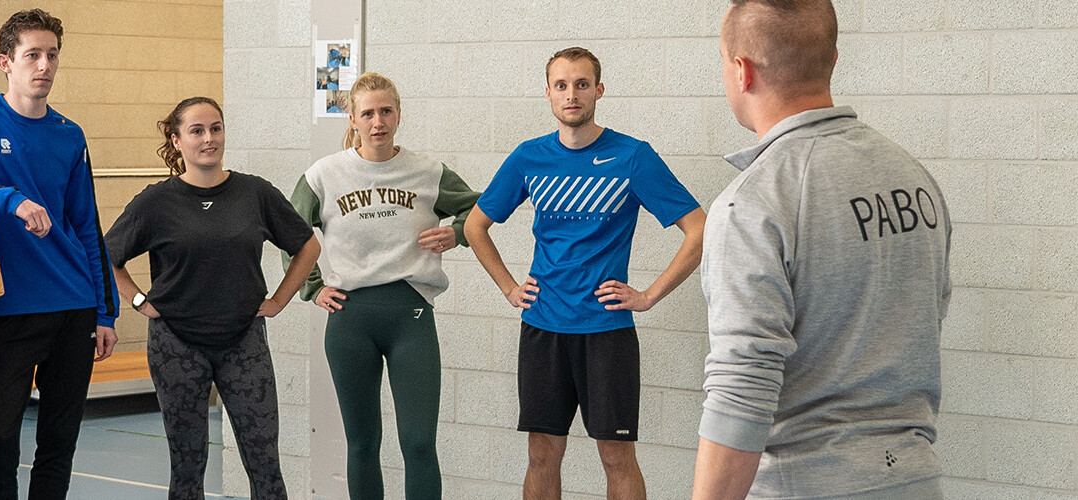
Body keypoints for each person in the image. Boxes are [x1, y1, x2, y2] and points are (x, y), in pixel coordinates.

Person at [691, 1, 952, 498]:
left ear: (741, 71)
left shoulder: (752, 203)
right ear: (832, 59)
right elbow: (926, 316)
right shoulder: (913, 177)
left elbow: (742, 387)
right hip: (916, 480)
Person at [464, 47, 708, 500]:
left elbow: (698, 229)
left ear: (598, 90)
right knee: (541, 455)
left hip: (607, 331)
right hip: (543, 329)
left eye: (581, 84)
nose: (571, 94)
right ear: (548, 93)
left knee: (617, 459)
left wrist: (650, 295)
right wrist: (509, 287)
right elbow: (475, 224)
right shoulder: (528, 157)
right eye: (561, 85)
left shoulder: (633, 157)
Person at [0, 9, 118, 500]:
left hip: (73, 307)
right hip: (7, 310)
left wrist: (105, 310)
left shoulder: (70, 135)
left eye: (52, 55)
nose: (44, 66)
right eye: (32, 55)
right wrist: (9, 199)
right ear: (5, 62)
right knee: (1, 441)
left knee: (59, 442)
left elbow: (86, 227)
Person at [106, 97, 320, 500]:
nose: (209, 139)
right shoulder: (155, 202)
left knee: (264, 463)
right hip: (176, 345)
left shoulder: (254, 193)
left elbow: (308, 247)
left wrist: (278, 300)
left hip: (243, 341)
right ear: (177, 140)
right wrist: (137, 301)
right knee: (187, 466)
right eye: (197, 131)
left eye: (216, 129)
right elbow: (106, 256)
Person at [288, 72, 478, 500]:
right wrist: (312, 287)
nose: (378, 122)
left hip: (410, 318)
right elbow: (290, 232)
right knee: (362, 444)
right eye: (368, 113)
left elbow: (482, 210)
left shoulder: (428, 172)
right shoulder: (324, 175)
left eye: (386, 111)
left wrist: (458, 232)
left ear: (398, 114)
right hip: (350, 320)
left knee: (418, 444)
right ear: (352, 118)